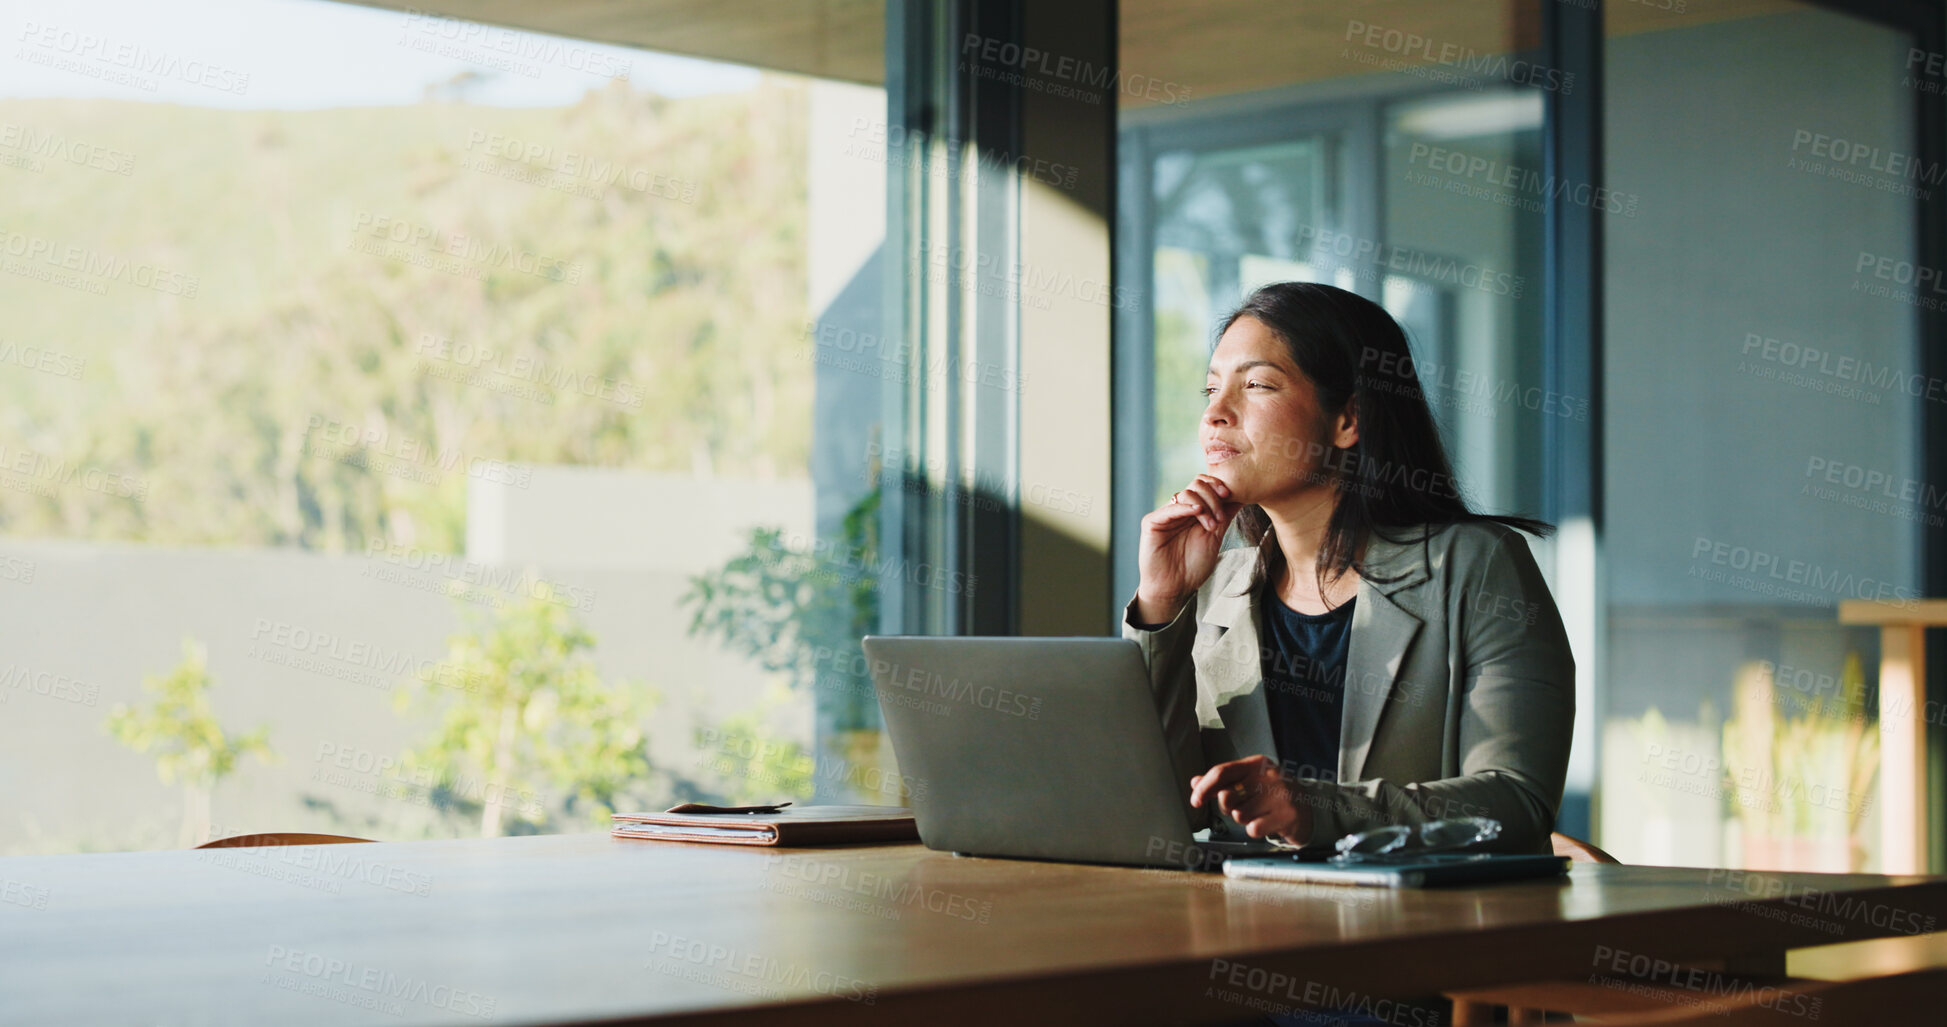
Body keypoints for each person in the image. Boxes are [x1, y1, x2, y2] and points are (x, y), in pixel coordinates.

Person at [1125, 281, 1575, 855]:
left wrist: (1317, 809)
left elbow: (1517, 802)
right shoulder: (1214, 585)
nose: (1215, 413)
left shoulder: (1475, 565)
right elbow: (1154, 803)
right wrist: (1161, 604)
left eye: (1256, 385)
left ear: (1348, 420)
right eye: (1210, 390)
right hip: (1240, 924)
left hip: (1415, 930)